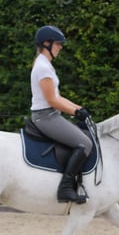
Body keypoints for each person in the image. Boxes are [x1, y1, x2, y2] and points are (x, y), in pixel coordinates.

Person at [30, 25, 92, 204]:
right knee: (85, 143)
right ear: (46, 44)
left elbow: (58, 97)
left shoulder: (45, 65)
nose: (61, 47)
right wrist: (75, 111)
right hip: (46, 116)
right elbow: (52, 100)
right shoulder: (43, 67)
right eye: (58, 43)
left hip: (50, 114)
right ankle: (65, 188)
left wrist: (78, 108)